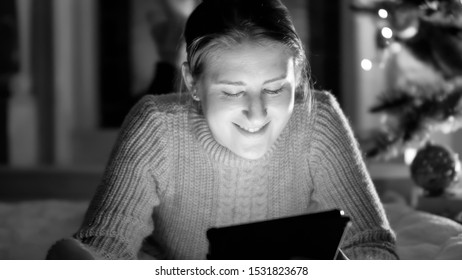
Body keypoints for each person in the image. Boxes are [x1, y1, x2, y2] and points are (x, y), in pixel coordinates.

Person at [47, 0, 399, 260]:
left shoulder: (317, 118)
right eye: (232, 91)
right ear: (193, 83)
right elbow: (107, 246)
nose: (257, 114)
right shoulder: (156, 127)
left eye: (276, 88)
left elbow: (376, 246)